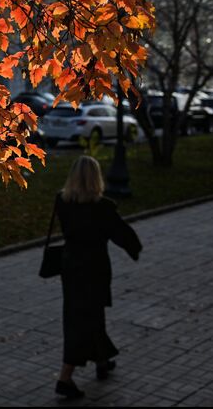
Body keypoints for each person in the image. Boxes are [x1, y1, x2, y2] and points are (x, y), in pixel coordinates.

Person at [54, 155, 143, 399]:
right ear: (96, 178)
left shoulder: (62, 201)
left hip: (70, 267)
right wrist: (135, 249)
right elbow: (121, 233)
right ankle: (65, 377)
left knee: (86, 314)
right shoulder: (102, 207)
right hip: (94, 269)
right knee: (83, 321)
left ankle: (102, 361)